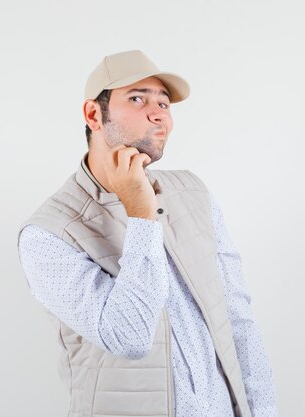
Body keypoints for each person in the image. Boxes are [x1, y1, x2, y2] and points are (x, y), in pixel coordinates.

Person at [17, 50, 279, 417]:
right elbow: (130, 337)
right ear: (94, 114)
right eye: (138, 98)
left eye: (164, 102)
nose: (158, 114)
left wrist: (264, 411)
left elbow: (237, 319)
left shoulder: (193, 193)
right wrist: (141, 213)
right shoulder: (49, 233)